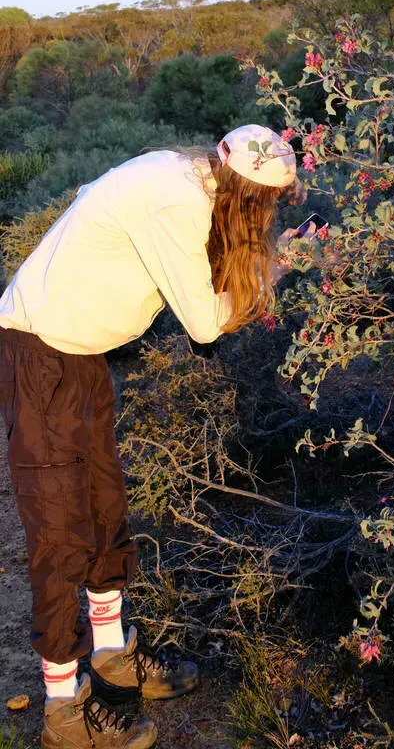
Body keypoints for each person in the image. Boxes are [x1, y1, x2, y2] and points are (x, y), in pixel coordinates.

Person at [0, 124, 313, 749]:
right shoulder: (176, 199)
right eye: (268, 207)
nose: (268, 218)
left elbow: (96, 193)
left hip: (80, 351)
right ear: (248, 193)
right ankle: (64, 711)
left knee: (104, 506)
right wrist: (283, 264)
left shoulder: (182, 170)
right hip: (40, 353)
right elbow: (205, 323)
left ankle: (114, 656)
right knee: (60, 531)